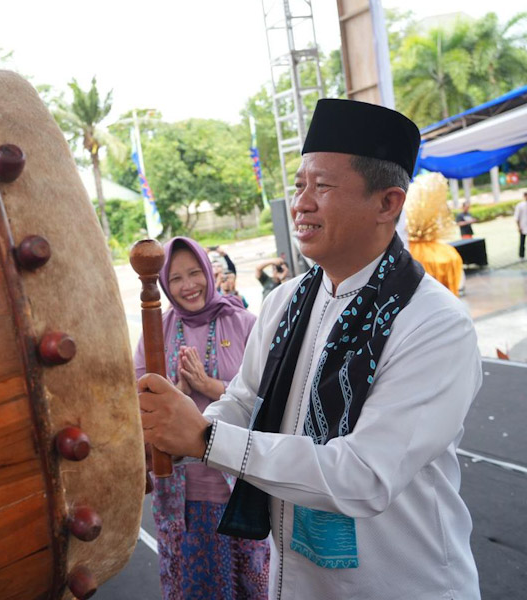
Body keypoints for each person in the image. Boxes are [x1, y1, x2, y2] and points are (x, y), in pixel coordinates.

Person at [138, 99, 482, 599]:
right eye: (299, 185)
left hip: (401, 584)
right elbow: (242, 402)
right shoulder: (286, 301)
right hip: (294, 581)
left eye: (322, 186)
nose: (301, 202)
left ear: (388, 203)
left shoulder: (432, 325)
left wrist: (207, 440)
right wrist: (171, 429)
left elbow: (363, 475)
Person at [134, 237, 269, 599]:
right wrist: (172, 391)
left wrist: (210, 386)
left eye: (195, 273)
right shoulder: (155, 331)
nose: (188, 285)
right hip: (183, 496)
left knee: (251, 586)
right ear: (164, 283)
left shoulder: (243, 322)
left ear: (210, 273)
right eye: (176, 278)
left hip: (240, 484)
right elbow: (134, 403)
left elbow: (268, 400)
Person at [515, 191, 527, 259]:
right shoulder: (520, 206)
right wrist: (518, 227)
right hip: (523, 226)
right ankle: (521, 256)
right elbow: (516, 218)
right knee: (522, 242)